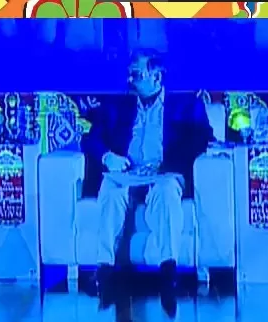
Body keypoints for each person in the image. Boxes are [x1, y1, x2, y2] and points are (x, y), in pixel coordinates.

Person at [79, 53, 215, 287]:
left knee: (166, 191)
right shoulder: (116, 106)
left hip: (164, 173)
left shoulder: (186, 106)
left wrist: (167, 164)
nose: (130, 80)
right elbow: (91, 139)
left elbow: (202, 139)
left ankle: (168, 269)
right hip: (127, 173)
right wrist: (109, 157)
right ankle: (104, 268)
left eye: (136, 74)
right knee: (111, 190)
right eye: (129, 74)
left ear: (157, 77)